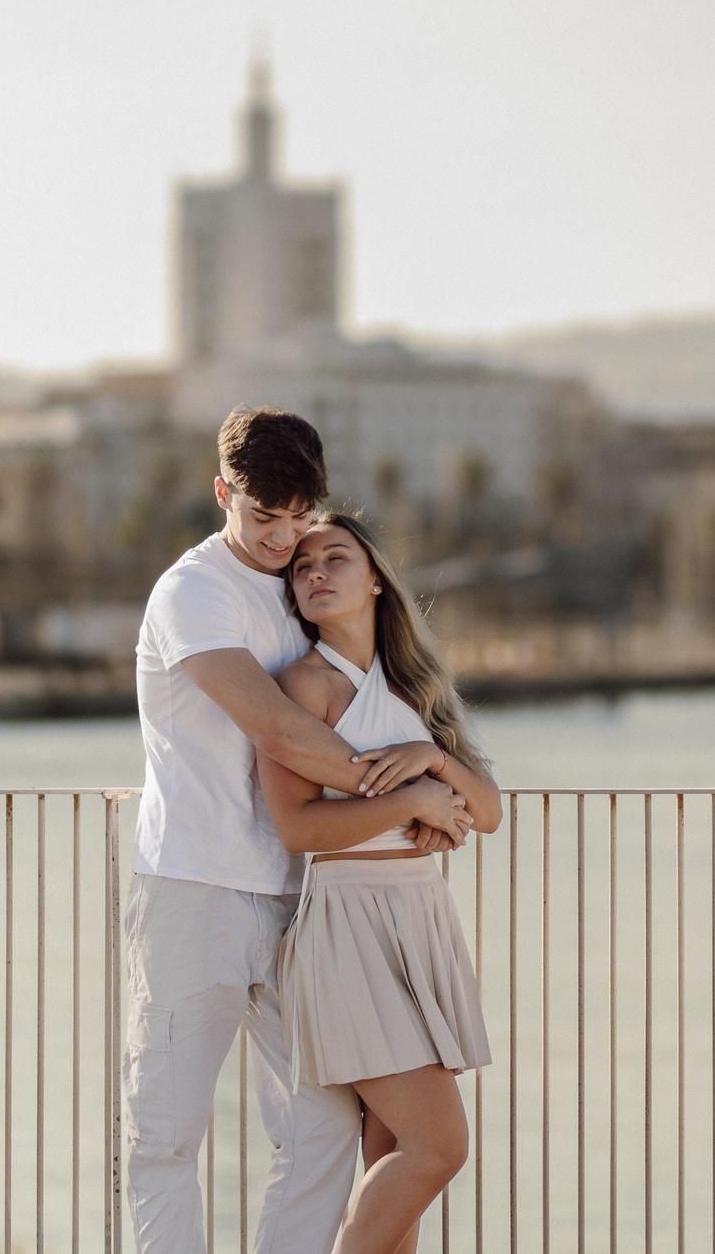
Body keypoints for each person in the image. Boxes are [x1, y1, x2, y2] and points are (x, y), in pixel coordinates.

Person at [125, 408, 478, 1254]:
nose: (284, 537)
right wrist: (416, 789)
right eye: (263, 517)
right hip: (195, 889)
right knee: (166, 1137)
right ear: (223, 495)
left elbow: (353, 688)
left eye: (297, 516)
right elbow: (279, 730)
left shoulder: (296, 585)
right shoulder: (194, 592)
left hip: (303, 904)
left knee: (320, 1132)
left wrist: (426, 785)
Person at [259, 510, 502, 1254]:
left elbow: (487, 810)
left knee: (390, 1152)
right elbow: (298, 828)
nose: (317, 572)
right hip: (351, 924)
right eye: (302, 567)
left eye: (336, 558)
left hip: (418, 915)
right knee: (439, 1143)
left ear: (374, 580)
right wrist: (413, 801)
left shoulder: (414, 685)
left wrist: (429, 761)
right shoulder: (302, 684)